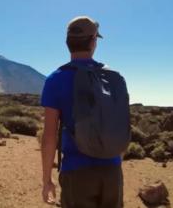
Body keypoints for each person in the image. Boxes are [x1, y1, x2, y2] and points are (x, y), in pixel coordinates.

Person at [41, 16, 127, 208]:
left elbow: (49, 137)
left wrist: (47, 179)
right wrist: (114, 161)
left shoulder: (56, 79)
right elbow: (122, 126)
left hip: (77, 172)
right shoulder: (116, 78)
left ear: (67, 43)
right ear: (93, 41)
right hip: (112, 171)